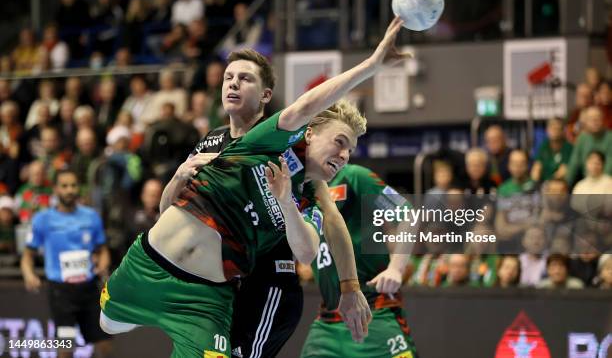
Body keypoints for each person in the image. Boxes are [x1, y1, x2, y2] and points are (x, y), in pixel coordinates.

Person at [100, 18, 409, 357]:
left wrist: (350, 286)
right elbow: (165, 211)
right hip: (152, 263)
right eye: (228, 78)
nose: (232, 84)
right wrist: (178, 177)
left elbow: (320, 235)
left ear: (266, 95)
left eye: (244, 78)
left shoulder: (292, 163)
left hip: (230, 290)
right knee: (107, 324)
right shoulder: (219, 139)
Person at [300, 163, 419, 358]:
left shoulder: (355, 177)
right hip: (329, 320)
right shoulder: (300, 186)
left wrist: (396, 268)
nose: (344, 154)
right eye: (340, 143)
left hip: (375, 310)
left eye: (349, 148)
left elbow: (409, 215)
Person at [20, 169, 112, 358]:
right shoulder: (42, 220)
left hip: (89, 289)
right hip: (60, 293)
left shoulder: (91, 217)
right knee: (66, 347)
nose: (69, 190)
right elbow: (27, 255)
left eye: (73, 185)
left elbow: (103, 250)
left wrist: (102, 265)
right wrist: (29, 274)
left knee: (104, 345)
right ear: (55, 189)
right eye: (64, 186)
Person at [531, 118, 573, 183]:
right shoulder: (544, 146)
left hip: (560, 184)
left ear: (562, 131)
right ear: (547, 130)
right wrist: (534, 182)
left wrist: (549, 183)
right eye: (551, 127)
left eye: (557, 128)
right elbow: (537, 167)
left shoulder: (568, 147)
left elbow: (563, 170)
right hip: (543, 185)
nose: (554, 130)